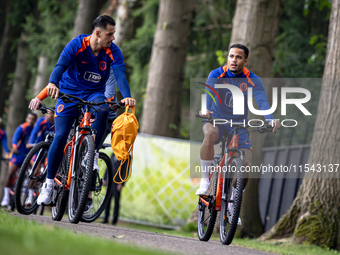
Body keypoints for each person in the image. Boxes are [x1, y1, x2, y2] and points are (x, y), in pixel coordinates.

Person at [29, 15, 135, 206]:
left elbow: (120, 74)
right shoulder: (77, 44)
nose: (113, 38)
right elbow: (60, 65)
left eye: (114, 34)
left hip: (94, 93)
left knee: (104, 109)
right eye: (110, 34)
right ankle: (49, 183)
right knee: (60, 136)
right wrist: (53, 82)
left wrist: (127, 95)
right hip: (69, 92)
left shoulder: (113, 51)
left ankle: (91, 154)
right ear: (97, 33)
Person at [195, 44, 281, 224]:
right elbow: (208, 94)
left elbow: (262, 101)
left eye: (238, 57)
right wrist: (205, 109)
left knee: (247, 161)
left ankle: (234, 201)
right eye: (231, 56)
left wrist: (270, 119)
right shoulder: (216, 74)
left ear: (245, 61)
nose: (234, 60)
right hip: (216, 119)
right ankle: (204, 181)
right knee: (209, 135)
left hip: (239, 124)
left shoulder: (253, 79)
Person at [0, 112, 37, 207]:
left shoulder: (35, 129)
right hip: (18, 154)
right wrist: (14, 147)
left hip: (29, 155)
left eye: (33, 119)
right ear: (26, 118)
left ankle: (29, 195)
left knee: (34, 173)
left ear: (35, 121)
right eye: (29, 118)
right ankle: (6, 197)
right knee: (11, 172)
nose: (31, 121)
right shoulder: (22, 127)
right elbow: (15, 139)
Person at [101, 154, 129, 224]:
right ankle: (106, 219)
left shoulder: (126, 156)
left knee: (116, 202)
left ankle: (114, 221)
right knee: (107, 200)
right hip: (109, 181)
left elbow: (126, 171)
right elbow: (108, 167)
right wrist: (104, 178)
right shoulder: (113, 154)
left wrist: (121, 183)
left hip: (117, 183)